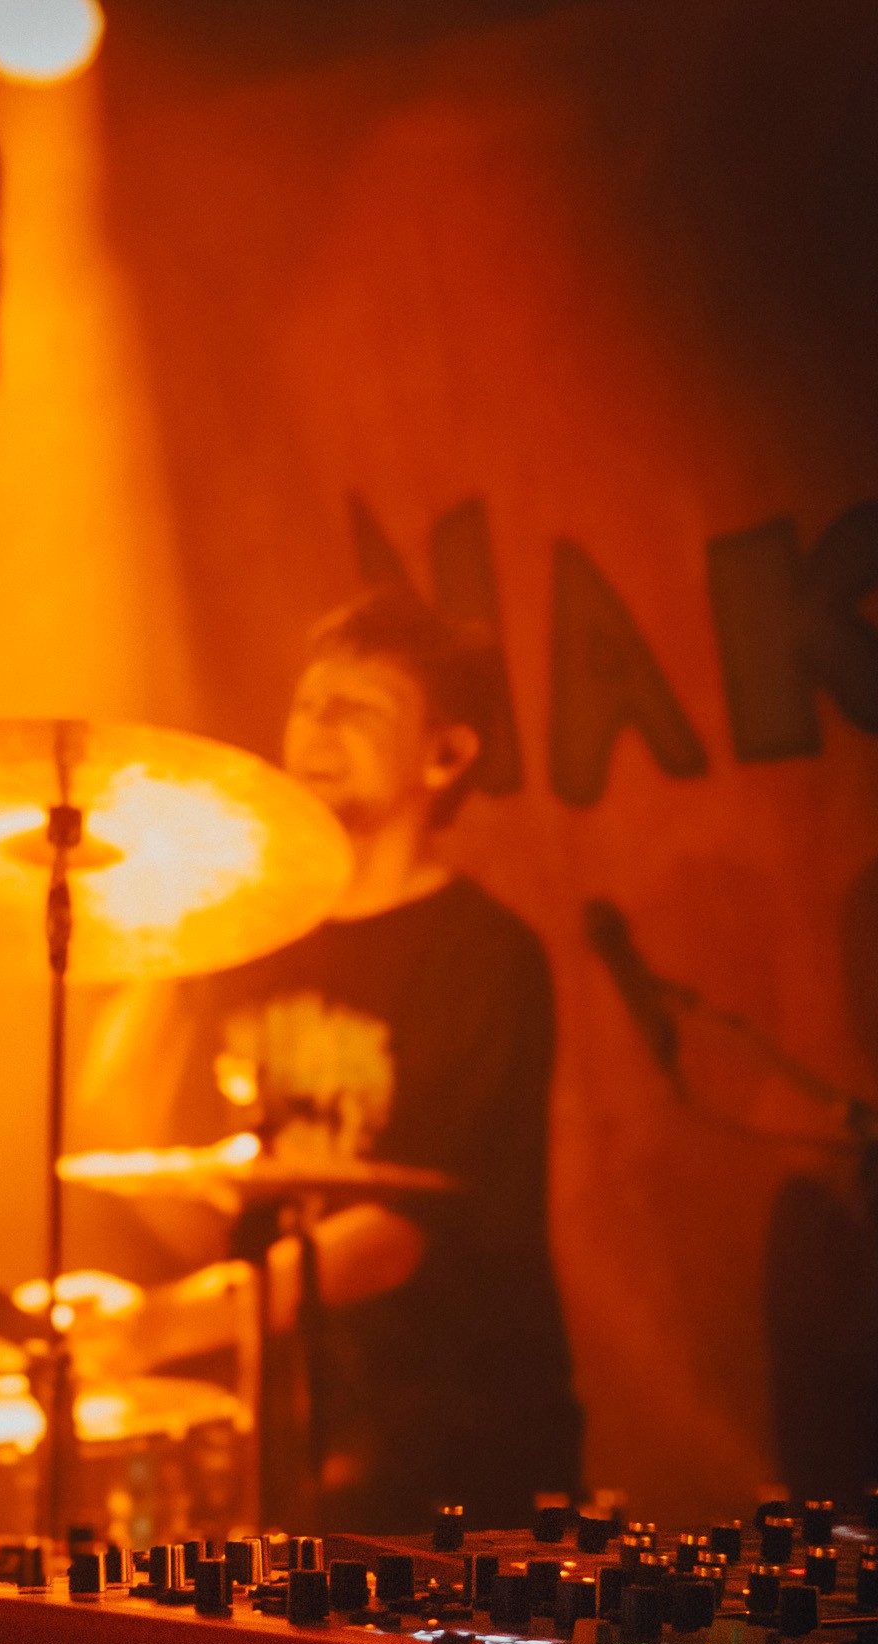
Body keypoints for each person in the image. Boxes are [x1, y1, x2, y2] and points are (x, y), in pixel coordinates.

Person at [179, 586, 581, 1533]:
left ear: (446, 756)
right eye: (308, 702)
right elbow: (162, 1165)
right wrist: (165, 921)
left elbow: (397, 1233)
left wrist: (168, 1321)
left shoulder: (486, 957)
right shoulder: (255, 941)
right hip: (286, 1429)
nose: (316, 727)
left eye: (357, 707)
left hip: (458, 1443)